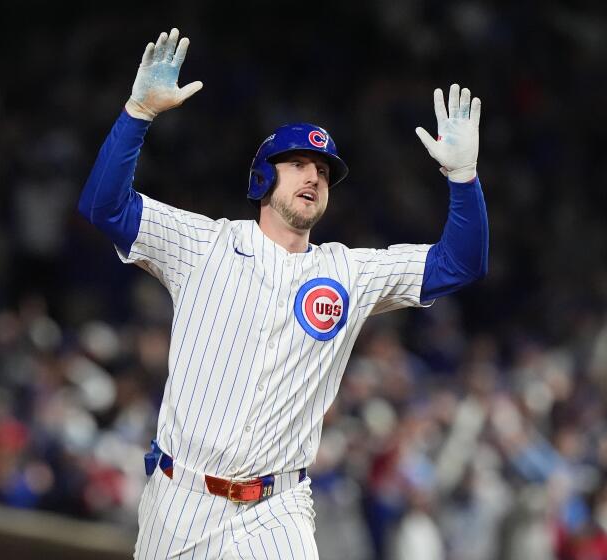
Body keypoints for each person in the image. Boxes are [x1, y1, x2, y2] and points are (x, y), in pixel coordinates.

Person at [78, 27, 488, 560]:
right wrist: (137, 114)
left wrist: (463, 177)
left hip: (276, 508)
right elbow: (103, 206)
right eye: (297, 164)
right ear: (261, 180)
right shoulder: (205, 244)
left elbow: (460, 263)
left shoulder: (349, 272)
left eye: (322, 171)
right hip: (179, 500)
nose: (313, 176)